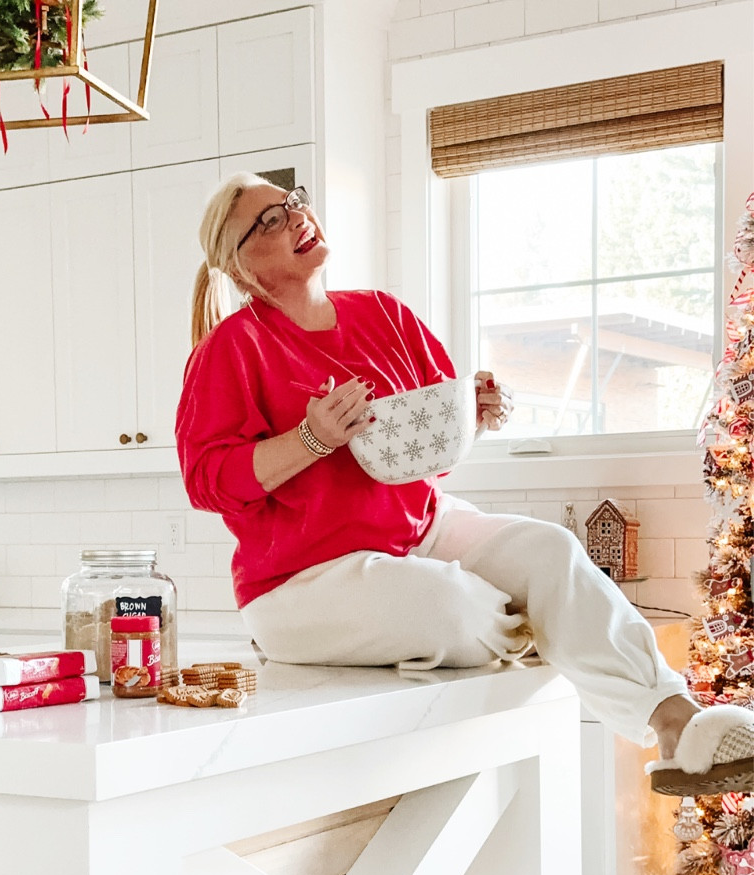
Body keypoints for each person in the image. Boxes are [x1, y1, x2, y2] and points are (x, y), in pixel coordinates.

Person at [176, 172, 754, 791]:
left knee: (549, 550)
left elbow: (429, 454)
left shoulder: (385, 315)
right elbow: (208, 480)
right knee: (449, 605)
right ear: (237, 269)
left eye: (293, 203)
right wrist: (309, 440)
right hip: (300, 580)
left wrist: (472, 417)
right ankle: (550, 630)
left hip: (420, 530)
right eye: (267, 220)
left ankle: (677, 725)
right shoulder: (232, 348)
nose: (293, 217)